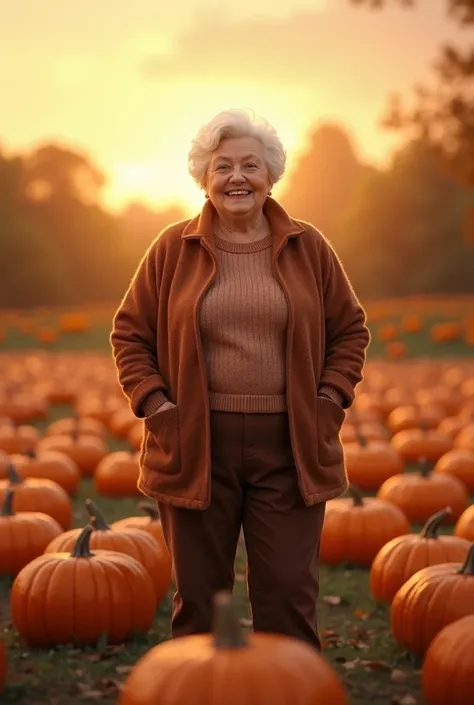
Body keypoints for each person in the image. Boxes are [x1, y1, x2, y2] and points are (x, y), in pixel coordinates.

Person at [110, 108, 370, 649]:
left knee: (288, 597)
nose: (237, 178)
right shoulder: (171, 249)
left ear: (270, 175)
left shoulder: (309, 246)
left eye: (250, 165)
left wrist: (328, 400)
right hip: (194, 443)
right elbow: (130, 335)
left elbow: (350, 330)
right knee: (200, 602)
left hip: (292, 444)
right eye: (222, 166)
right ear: (204, 178)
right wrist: (157, 407)